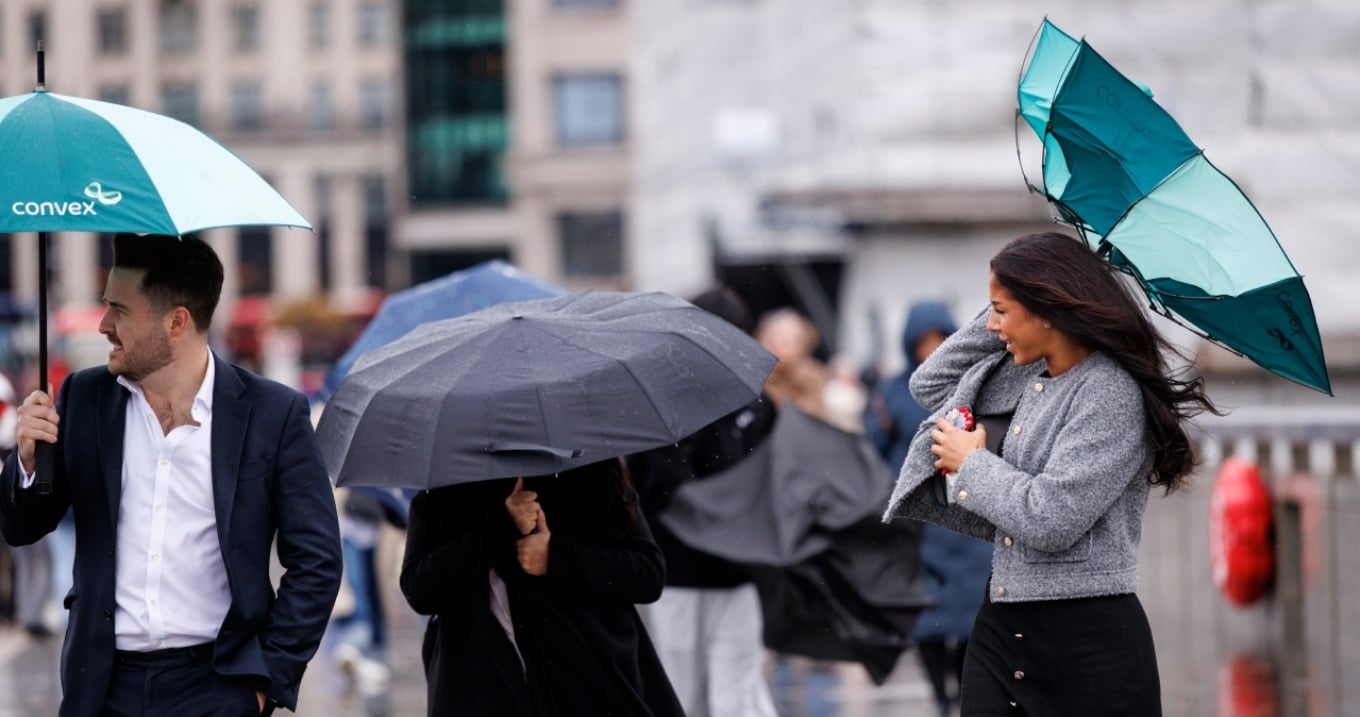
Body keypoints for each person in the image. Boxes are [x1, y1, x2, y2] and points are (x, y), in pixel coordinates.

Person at [0, 233, 343, 717]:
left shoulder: (273, 413)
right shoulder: (84, 398)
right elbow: (21, 527)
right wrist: (27, 463)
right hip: (101, 689)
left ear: (176, 321)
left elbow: (318, 561)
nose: (103, 325)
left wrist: (265, 682)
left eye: (119, 309)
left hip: (218, 686)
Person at [883, 231, 1217, 716]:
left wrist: (972, 463)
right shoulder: (1030, 376)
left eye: (1000, 309)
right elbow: (927, 382)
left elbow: (1053, 518)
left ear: (1046, 310)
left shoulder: (1110, 393)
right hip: (1002, 624)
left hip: (1087, 640)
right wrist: (1008, 299)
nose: (992, 326)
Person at [400, 458, 685, 717]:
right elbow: (420, 590)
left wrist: (556, 557)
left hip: (590, 683)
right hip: (480, 686)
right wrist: (501, 525)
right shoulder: (445, 489)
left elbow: (647, 574)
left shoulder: (591, 470)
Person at [627, 285, 778, 717]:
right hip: (678, 573)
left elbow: (770, 476)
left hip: (739, 573)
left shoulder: (755, 401)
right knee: (680, 694)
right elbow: (655, 483)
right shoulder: (664, 403)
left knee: (738, 696)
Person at [865, 300, 991, 717]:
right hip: (917, 524)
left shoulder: (972, 385)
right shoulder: (892, 393)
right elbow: (874, 450)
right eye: (923, 341)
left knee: (972, 612)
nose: (931, 348)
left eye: (939, 340)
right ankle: (940, 695)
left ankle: (960, 687)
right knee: (927, 618)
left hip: (966, 516)